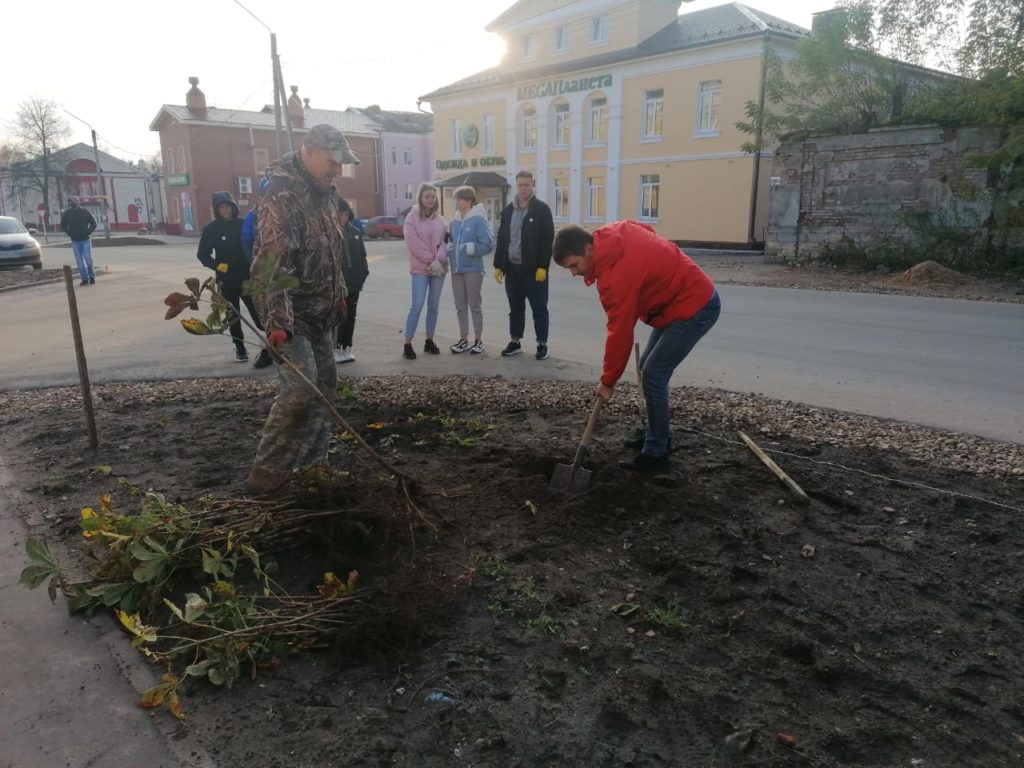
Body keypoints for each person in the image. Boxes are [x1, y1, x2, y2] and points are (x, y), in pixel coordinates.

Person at [244, 124, 359, 494]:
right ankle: (267, 475)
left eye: (341, 164)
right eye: (332, 162)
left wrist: (337, 291)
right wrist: (276, 323)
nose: (337, 170)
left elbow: (331, 249)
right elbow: (268, 265)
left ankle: (313, 470)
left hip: (321, 312)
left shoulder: (325, 193)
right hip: (290, 316)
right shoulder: (280, 195)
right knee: (299, 389)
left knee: (325, 385)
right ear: (309, 152)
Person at [552, 221, 721, 472]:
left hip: (695, 305)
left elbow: (620, 333)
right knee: (647, 367)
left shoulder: (615, 277)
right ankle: (656, 433)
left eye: (574, 265)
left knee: (654, 375)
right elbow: (645, 230)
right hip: (672, 301)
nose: (574, 274)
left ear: (588, 249)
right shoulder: (613, 233)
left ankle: (656, 453)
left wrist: (608, 382)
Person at [196, 191, 272, 368]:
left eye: (228, 206)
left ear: (233, 207)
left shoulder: (243, 224)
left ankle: (269, 347)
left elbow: (255, 244)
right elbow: (202, 254)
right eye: (222, 207)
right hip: (226, 280)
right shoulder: (211, 230)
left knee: (258, 314)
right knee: (233, 316)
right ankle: (240, 347)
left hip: (247, 278)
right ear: (217, 210)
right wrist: (218, 265)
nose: (226, 210)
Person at [493, 170, 554, 360]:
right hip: (512, 269)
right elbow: (503, 239)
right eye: (520, 184)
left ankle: (542, 344)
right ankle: (515, 341)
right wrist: (499, 265)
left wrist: (543, 266)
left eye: (527, 184)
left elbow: (547, 240)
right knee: (516, 308)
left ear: (532, 185)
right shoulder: (508, 210)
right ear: (516, 186)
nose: (523, 188)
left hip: (534, 271)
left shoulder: (541, 210)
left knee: (539, 309)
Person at [401, 183, 448, 360]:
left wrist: (439, 260)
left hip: (438, 269)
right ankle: (408, 342)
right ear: (420, 198)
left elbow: (445, 242)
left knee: (433, 306)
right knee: (417, 304)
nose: (430, 199)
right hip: (420, 269)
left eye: (433, 197)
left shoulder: (441, 221)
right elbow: (413, 243)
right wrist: (431, 260)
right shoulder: (411, 219)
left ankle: (429, 340)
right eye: (427, 196)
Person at [446, 185, 493, 354]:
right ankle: (463, 339)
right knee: (460, 306)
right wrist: (449, 249)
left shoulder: (478, 219)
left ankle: (478, 340)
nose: (456, 203)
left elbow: (488, 245)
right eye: (456, 200)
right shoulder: (455, 220)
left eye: (458, 200)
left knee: (474, 305)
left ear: (468, 200)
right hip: (456, 269)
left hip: (473, 269)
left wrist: (472, 248)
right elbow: (451, 241)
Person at [334, 197, 369, 363]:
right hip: (337, 285)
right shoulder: (331, 232)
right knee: (338, 316)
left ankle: (347, 346)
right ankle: (335, 347)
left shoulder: (355, 232)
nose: (343, 217)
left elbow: (363, 256)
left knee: (351, 315)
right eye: (340, 214)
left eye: (346, 214)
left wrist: (363, 273)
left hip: (354, 283)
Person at [60, 197, 97, 286]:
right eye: (70, 202)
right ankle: (84, 278)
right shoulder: (67, 213)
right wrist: (70, 233)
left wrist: (87, 232)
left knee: (88, 258)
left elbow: (93, 224)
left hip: (86, 240)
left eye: (73, 201)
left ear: (78, 202)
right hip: (75, 241)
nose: (72, 203)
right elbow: (63, 225)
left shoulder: (85, 212)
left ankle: (91, 277)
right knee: (79, 261)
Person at [240, 177, 270, 263]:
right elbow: (246, 239)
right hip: (261, 260)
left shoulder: (288, 213)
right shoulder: (253, 214)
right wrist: (253, 261)